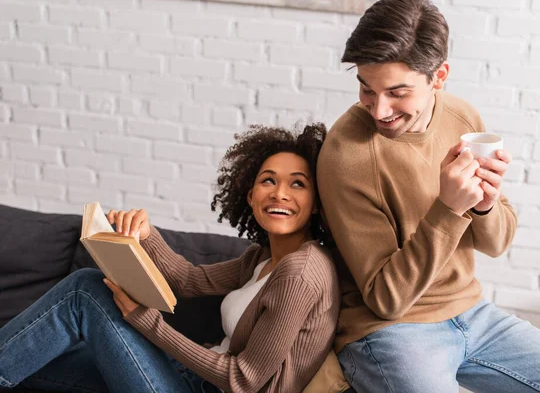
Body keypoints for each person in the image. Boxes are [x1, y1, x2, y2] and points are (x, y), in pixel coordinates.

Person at [316, 0, 540, 392]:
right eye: (366, 89)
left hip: (472, 313)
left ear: (439, 76)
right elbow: (385, 299)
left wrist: (484, 204)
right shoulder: (347, 155)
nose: (379, 110)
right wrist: (448, 209)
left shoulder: (462, 118)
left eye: (398, 93)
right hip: (390, 331)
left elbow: (497, 243)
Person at [0, 123, 340, 393]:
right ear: (251, 196)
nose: (280, 192)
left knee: (85, 290)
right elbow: (188, 279)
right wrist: (147, 234)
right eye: (269, 180)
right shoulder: (261, 259)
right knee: (38, 358)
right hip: (188, 380)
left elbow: (244, 380)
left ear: (317, 201)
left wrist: (150, 325)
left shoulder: (301, 271)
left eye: (298, 184)